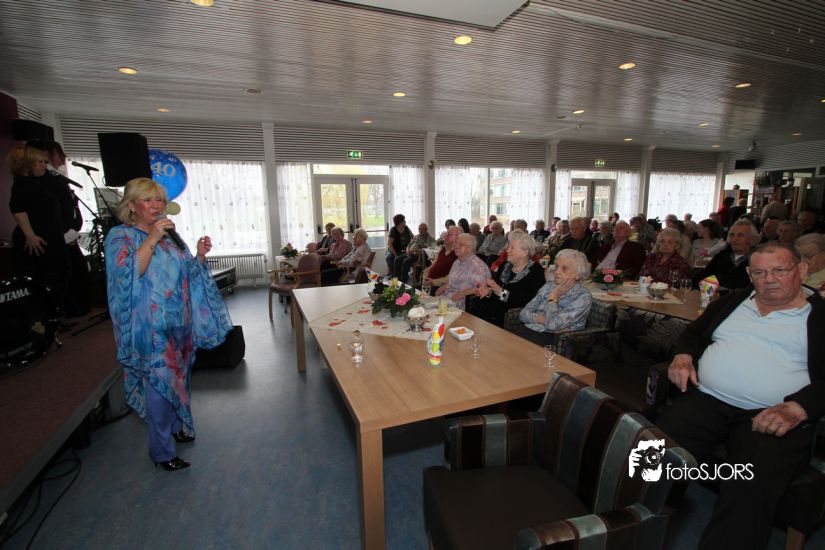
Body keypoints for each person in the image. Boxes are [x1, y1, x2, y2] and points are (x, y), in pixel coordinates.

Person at [658, 242, 824, 550]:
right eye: (759, 272)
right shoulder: (733, 301)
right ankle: (638, 522)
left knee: (749, 482)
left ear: (801, 270)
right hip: (707, 399)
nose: (769, 279)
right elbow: (693, 334)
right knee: (653, 449)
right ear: (749, 274)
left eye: (779, 270)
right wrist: (682, 355)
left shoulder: (819, 316)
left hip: (772, 413)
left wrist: (799, 407)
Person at [104, 178, 233, 471]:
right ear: (131, 206)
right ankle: (162, 452)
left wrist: (199, 256)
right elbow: (126, 275)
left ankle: (176, 427)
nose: (156, 206)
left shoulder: (170, 237)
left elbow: (187, 274)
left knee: (178, 380)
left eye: (159, 200)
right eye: (148, 200)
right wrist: (151, 239)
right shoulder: (121, 237)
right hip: (151, 328)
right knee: (160, 389)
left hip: (179, 323)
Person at [27, 140, 90, 317]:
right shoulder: (41, 181)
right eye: (58, 153)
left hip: (68, 234)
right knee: (64, 274)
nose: (63, 157)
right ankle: (66, 310)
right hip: (59, 236)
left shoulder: (56, 178)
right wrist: (66, 234)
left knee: (75, 272)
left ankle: (75, 308)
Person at [7, 145, 70, 306]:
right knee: (42, 279)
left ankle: (52, 312)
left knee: (55, 276)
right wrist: (30, 235)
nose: (44, 165)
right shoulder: (23, 184)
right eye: (40, 162)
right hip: (38, 241)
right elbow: (18, 208)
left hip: (48, 237)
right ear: (28, 164)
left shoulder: (35, 183)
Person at [516, 249, 593, 346]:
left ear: (578, 275)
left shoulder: (583, 297)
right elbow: (523, 314)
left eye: (564, 268)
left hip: (553, 340)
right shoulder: (548, 286)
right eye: (557, 266)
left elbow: (552, 325)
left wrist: (554, 297)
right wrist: (544, 320)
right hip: (528, 330)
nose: (557, 271)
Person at [468, 231, 545, 327]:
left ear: (524, 252)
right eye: (508, 247)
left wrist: (500, 292)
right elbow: (494, 291)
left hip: (510, 316)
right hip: (492, 310)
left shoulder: (535, 271)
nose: (507, 250)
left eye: (512, 247)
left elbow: (528, 301)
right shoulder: (505, 265)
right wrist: (488, 292)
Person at [693, 220, 760, 290]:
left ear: (752, 240)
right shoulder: (722, 256)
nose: (734, 239)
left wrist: (717, 281)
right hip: (714, 296)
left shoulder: (757, 260)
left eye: (740, 235)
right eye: (732, 235)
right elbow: (699, 279)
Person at [436, 233, 490, 309]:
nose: (456, 246)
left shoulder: (477, 266)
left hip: (461, 303)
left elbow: (483, 287)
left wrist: (462, 293)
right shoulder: (457, 261)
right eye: (456, 243)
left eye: (460, 244)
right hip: (447, 299)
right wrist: (444, 286)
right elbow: (454, 279)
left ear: (470, 248)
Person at [422, 226, 460, 294]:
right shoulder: (443, 250)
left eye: (449, 234)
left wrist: (433, 282)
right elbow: (432, 266)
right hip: (429, 285)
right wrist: (425, 276)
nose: (445, 236)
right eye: (446, 234)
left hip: (440, 288)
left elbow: (452, 278)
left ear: (457, 238)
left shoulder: (458, 254)